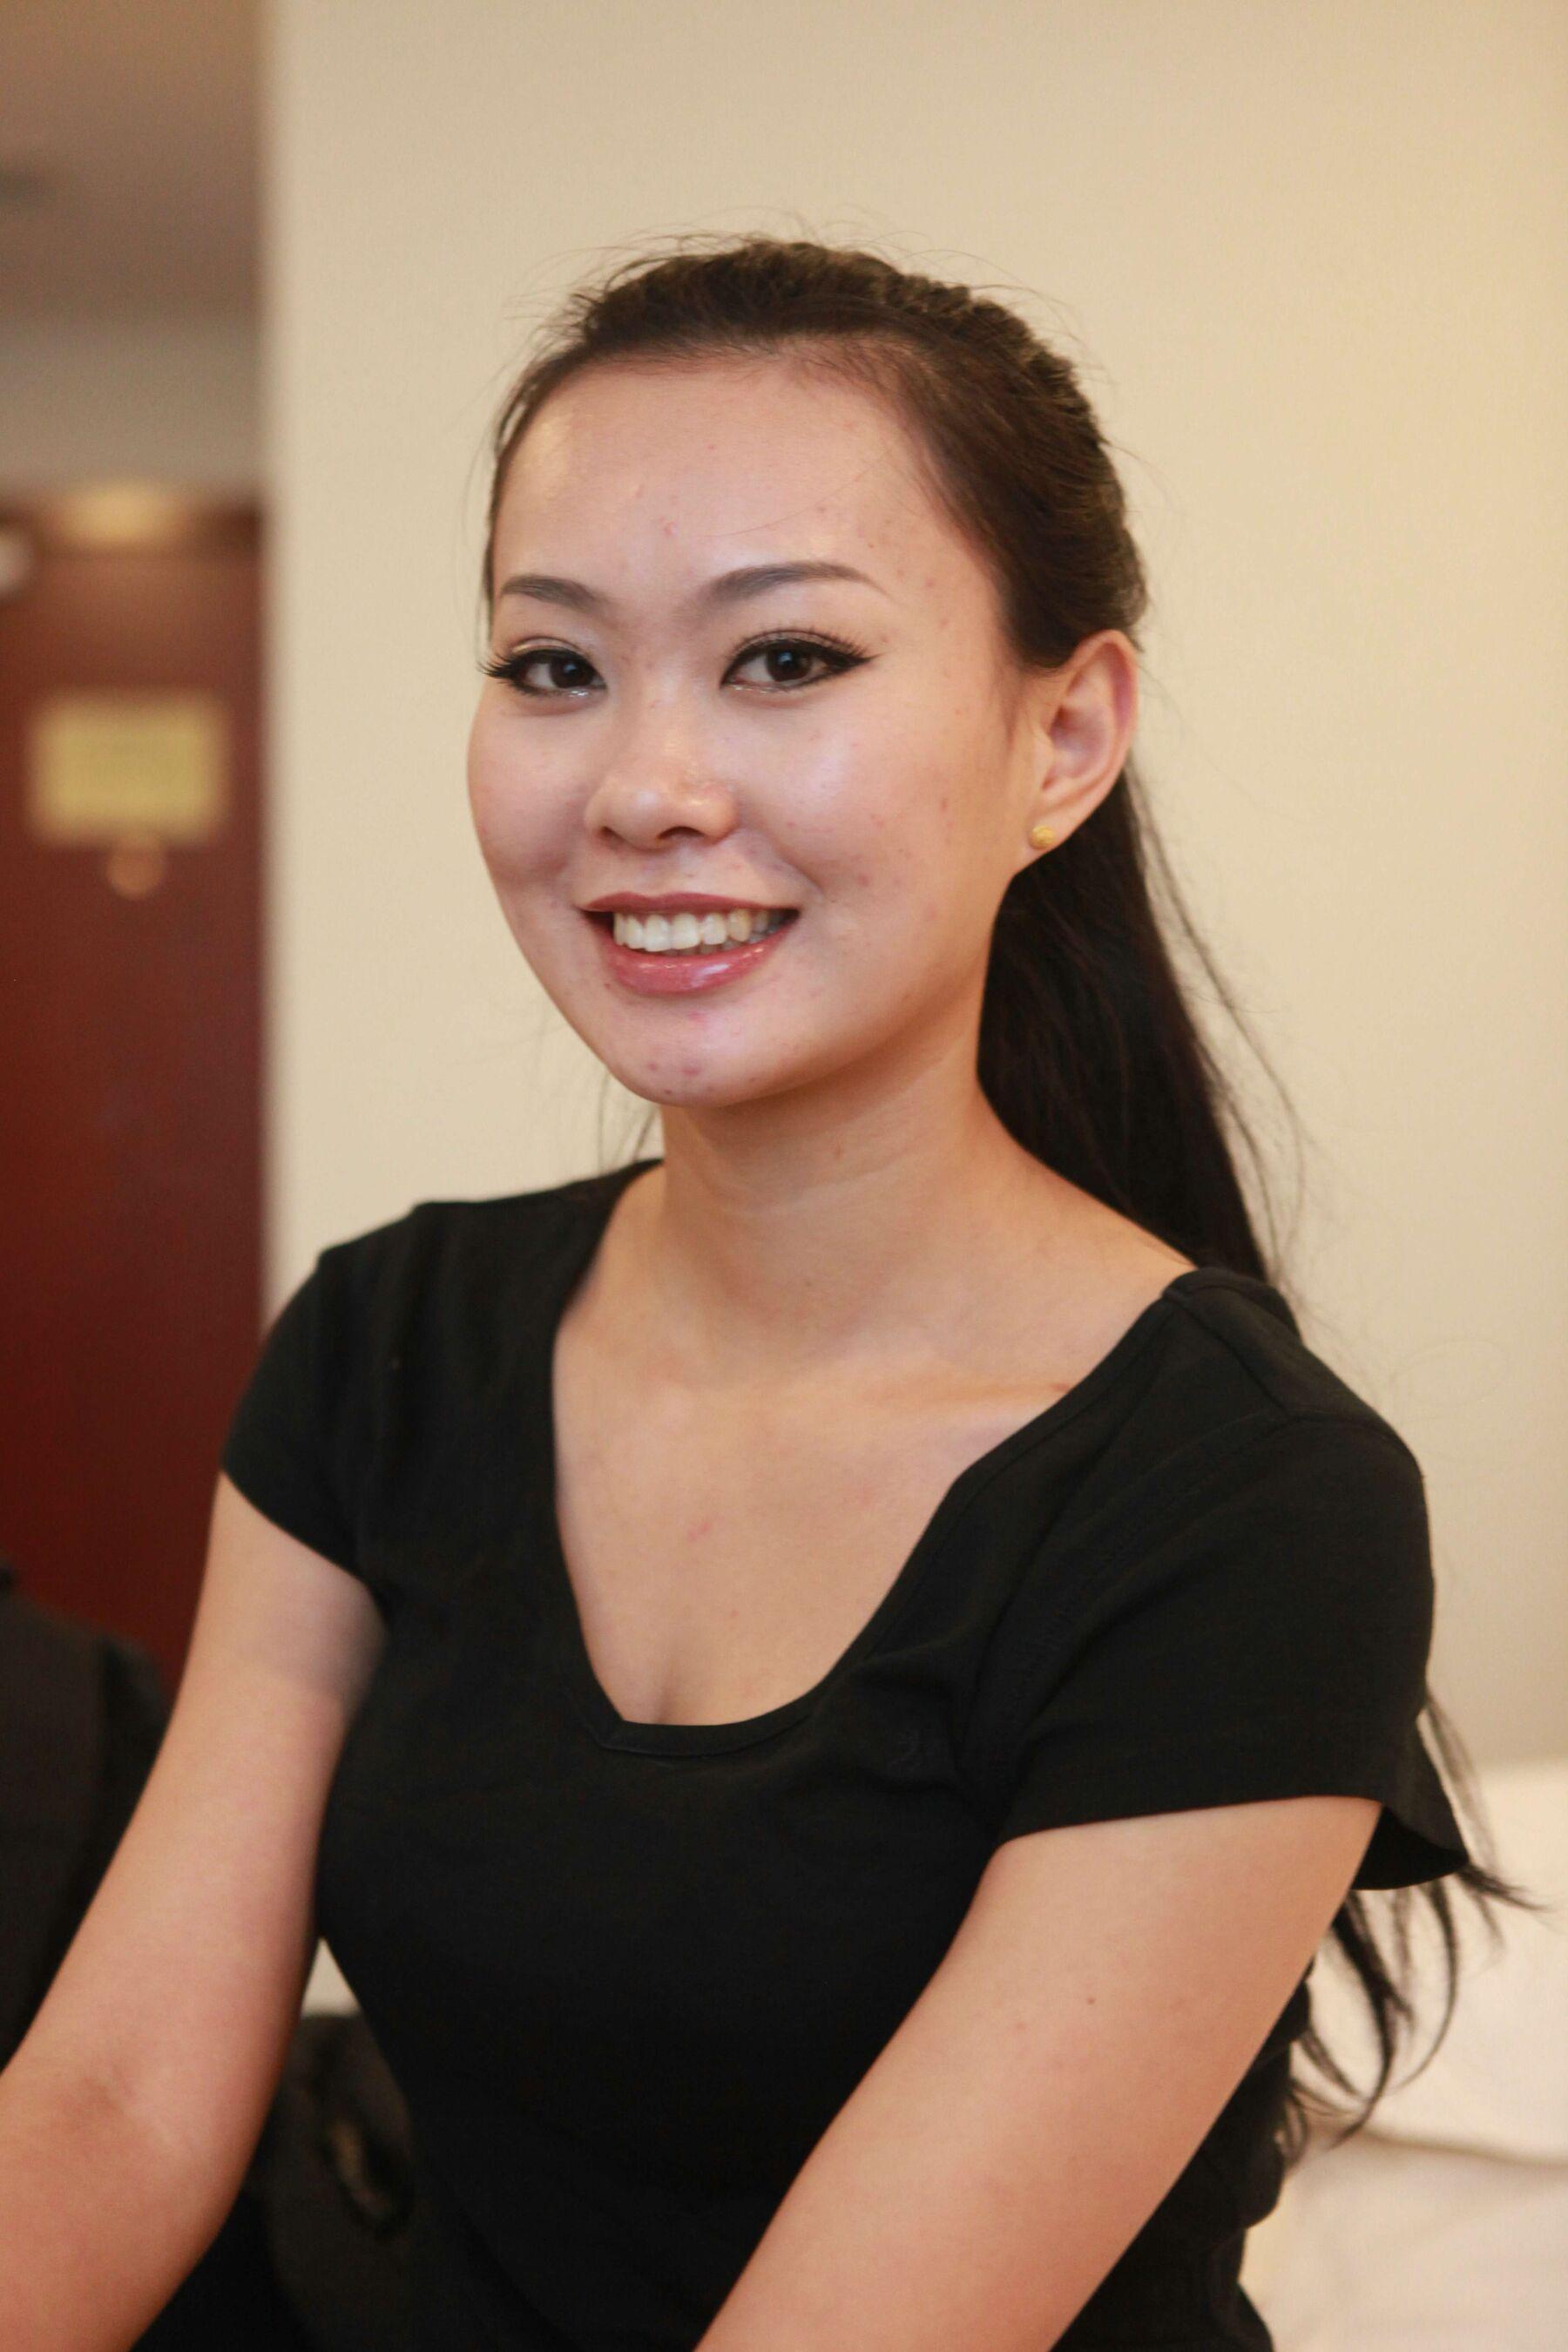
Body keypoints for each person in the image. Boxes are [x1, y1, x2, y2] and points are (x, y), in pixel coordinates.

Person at [0, 233, 1540, 2352]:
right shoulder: (386, 1347)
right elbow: (110, 2102)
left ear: (1065, 734)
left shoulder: (1243, 1501)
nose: (646, 788)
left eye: (788, 658)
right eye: (554, 666)